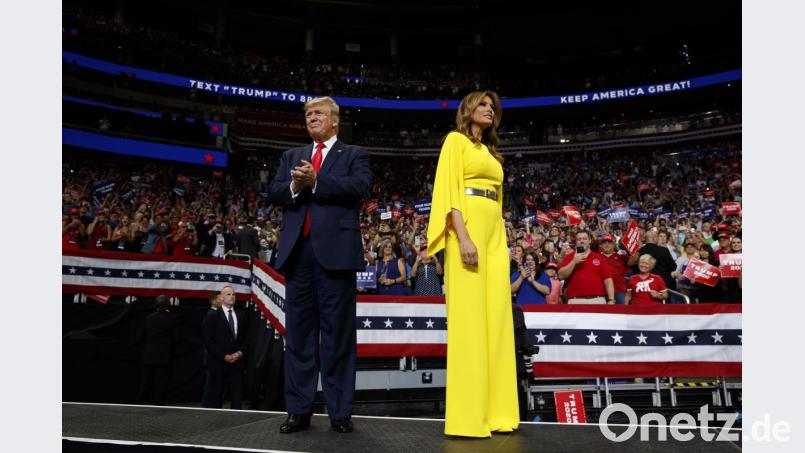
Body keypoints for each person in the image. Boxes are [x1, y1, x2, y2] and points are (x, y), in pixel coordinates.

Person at [268, 96, 370, 434]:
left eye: (318, 113)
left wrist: (317, 181)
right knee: (299, 336)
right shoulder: (291, 156)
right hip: (297, 254)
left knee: (337, 335)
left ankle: (339, 412)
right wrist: (295, 185)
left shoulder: (354, 154)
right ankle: (298, 411)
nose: (311, 118)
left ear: (335, 120)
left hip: (336, 256)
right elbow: (274, 192)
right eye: (308, 114)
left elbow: (360, 187)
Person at [426, 90, 519, 437]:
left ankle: (499, 414)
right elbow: (449, 192)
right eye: (482, 104)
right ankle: (468, 418)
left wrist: (501, 238)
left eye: (492, 106)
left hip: (495, 235)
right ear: (468, 109)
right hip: (467, 230)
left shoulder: (490, 152)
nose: (489, 109)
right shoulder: (455, 141)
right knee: (469, 323)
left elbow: (497, 199)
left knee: (497, 321)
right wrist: (463, 237)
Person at [201, 286, 246, 409]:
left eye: (233, 294)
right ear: (221, 297)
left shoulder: (242, 315)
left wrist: (239, 353)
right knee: (216, 398)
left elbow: (247, 338)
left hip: (237, 363)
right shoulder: (213, 315)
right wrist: (223, 356)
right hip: (218, 363)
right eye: (228, 294)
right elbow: (208, 340)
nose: (231, 297)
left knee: (237, 398)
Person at [136, 295, 179, 406]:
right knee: (162, 382)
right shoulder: (173, 318)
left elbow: (141, 336)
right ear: (169, 304)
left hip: (149, 354)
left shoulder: (148, 318)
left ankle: (140, 402)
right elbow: (176, 337)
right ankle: (158, 404)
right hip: (165, 355)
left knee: (146, 381)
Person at [557, 229, 616, 304]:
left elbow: (608, 280)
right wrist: (573, 262)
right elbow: (561, 276)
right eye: (579, 239)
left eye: (584, 239)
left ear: (590, 241)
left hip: (597, 300)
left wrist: (611, 300)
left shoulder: (600, 257)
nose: (582, 241)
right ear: (576, 242)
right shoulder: (569, 257)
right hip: (575, 301)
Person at [201, 290, 221, 408]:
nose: (223, 300)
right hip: (212, 356)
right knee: (211, 383)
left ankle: (211, 405)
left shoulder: (216, 314)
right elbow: (208, 338)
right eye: (220, 298)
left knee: (214, 383)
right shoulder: (212, 315)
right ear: (214, 301)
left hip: (214, 356)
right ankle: (206, 406)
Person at [599, 235, 629, 304]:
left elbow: (632, 262)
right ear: (601, 245)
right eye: (604, 243)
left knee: (621, 310)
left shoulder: (621, 256)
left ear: (613, 245)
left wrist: (637, 249)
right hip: (602, 291)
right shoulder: (597, 257)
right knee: (602, 311)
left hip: (619, 291)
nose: (607, 245)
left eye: (609, 243)